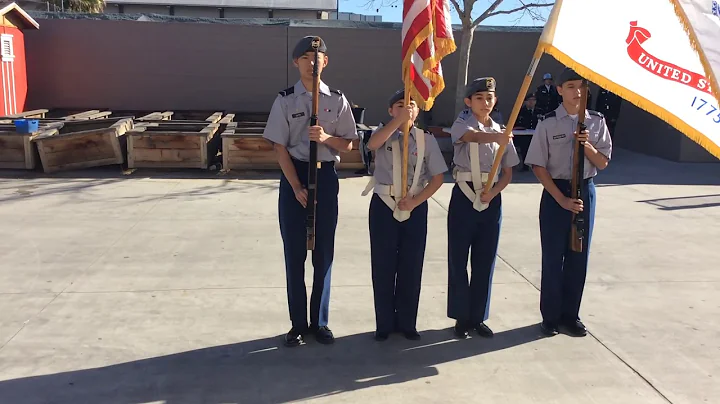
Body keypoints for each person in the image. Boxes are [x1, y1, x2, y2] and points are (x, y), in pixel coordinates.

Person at [262, 36, 358, 347]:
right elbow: (279, 147)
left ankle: (320, 322)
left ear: (325, 62)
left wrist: (327, 137)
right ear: (296, 63)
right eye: (305, 57)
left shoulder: (338, 100)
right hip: (296, 175)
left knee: (324, 253)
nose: (311, 62)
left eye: (317, 57)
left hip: (326, 177)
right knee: (295, 255)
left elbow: (349, 143)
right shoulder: (285, 100)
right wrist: (295, 187)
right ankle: (297, 325)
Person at [524, 68, 612, 337]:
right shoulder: (549, 123)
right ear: (560, 90)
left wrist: (588, 146)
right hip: (556, 192)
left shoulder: (596, 121)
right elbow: (538, 165)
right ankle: (549, 317)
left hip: (585, 190)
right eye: (571, 86)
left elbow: (603, 162)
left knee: (578, 256)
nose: (577, 92)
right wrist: (560, 198)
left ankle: (570, 315)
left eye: (582, 86)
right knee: (553, 257)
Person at [362, 89, 447, 341]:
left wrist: (416, 201)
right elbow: (372, 144)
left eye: (410, 105)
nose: (405, 109)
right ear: (390, 110)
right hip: (384, 204)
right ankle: (384, 323)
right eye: (399, 105)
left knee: (411, 265)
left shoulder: (426, 139)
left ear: (418, 111)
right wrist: (398, 122)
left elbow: (438, 177)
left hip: (415, 204)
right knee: (383, 264)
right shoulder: (382, 133)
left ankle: (408, 321)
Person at [447, 77, 519, 339]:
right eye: (479, 98)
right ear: (469, 101)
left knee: (484, 259)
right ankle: (460, 317)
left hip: (491, 198)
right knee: (458, 258)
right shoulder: (463, 122)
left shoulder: (503, 130)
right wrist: (498, 137)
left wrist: (494, 193)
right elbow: (471, 137)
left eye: (489, 98)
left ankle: (478, 317)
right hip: (464, 196)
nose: (485, 102)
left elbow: (508, 172)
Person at [514, 93, 545, 171]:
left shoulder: (540, 111)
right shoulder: (520, 111)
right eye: (529, 100)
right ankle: (525, 166)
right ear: (525, 102)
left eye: (533, 100)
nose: (531, 102)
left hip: (537, 134)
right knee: (524, 148)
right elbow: (516, 123)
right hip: (524, 135)